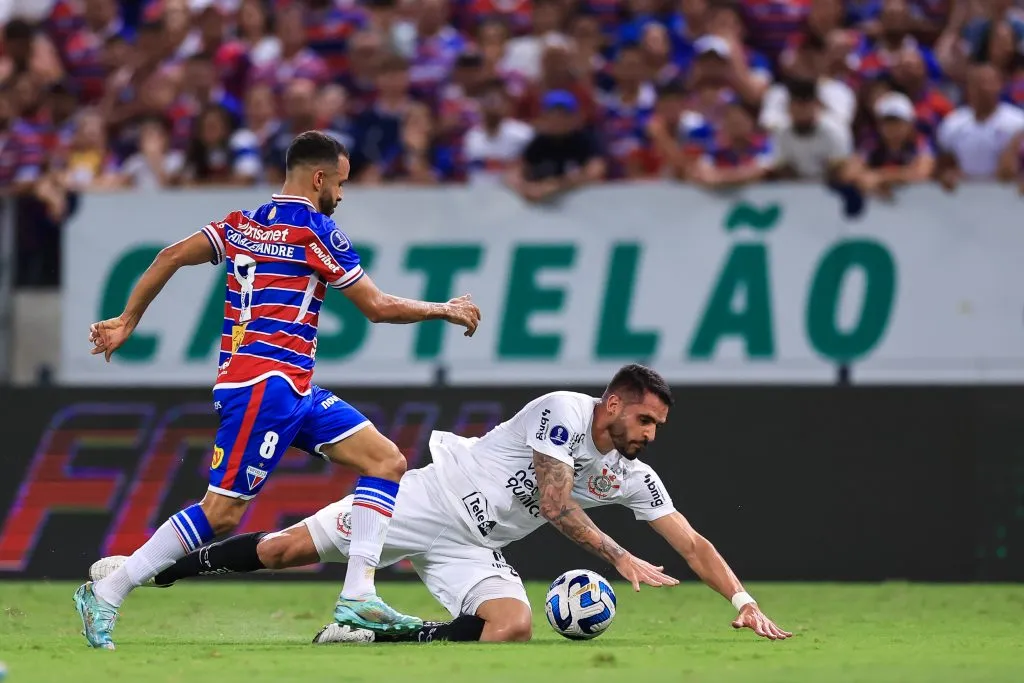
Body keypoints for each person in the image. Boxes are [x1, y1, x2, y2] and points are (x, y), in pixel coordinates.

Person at [74, 130, 482, 650]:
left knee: (385, 461)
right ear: (318, 178)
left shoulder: (242, 225)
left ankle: (358, 595)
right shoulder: (316, 231)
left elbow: (170, 255)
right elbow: (376, 307)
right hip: (265, 386)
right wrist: (442, 309)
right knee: (221, 514)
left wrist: (128, 319)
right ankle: (109, 590)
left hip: (290, 386)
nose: (341, 194)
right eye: (339, 182)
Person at [89, 364, 792, 644]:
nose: (649, 435)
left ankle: (374, 635)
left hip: (474, 546)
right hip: (430, 498)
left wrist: (741, 598)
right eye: (644, 420)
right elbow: (552, 500)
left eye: (657, 428)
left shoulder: (632, 478)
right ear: (612, 403)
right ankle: (151, 571)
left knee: (512, 626)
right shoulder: (563, 412)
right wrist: (619, 554)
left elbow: (693, 540)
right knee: (279, 551)